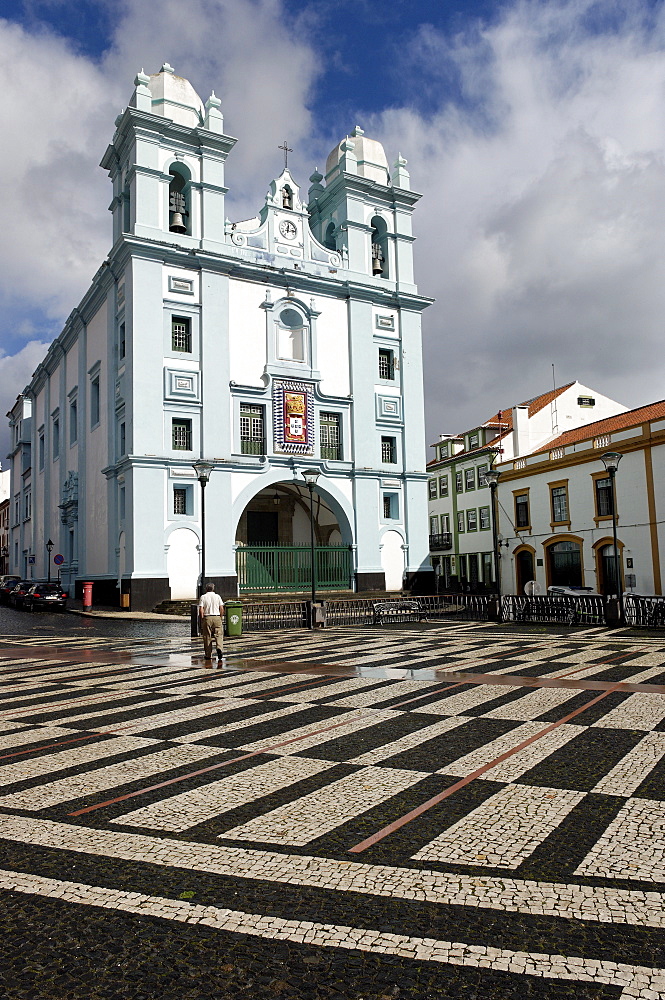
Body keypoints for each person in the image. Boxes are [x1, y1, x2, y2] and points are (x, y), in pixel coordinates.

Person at [198, 583, 224, 662]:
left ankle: (208, 654)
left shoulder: (203, 597)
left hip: (207, 617)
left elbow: (201, 609)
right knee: (219, 634)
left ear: (206, 589)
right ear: (213, 589)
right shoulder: (217, 596)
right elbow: (221, 608)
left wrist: (202, 618)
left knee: (207, 636)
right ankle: (219, 648)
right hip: (216, 617)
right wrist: (220, 616)